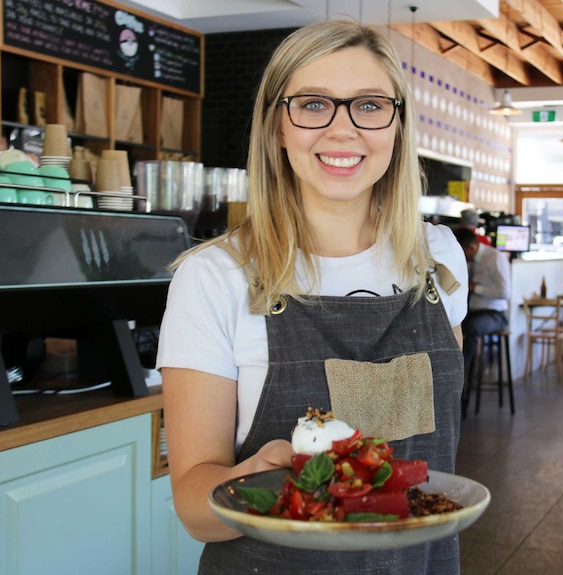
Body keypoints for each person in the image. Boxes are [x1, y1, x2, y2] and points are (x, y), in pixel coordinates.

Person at [155, 20, 469, 575]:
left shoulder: (438, 259)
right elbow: (192, 509)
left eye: (369, 105)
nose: (343, 130)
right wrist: (259, 478)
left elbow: (437, 452)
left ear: (397, 124)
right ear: (278, 124)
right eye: (313, 104)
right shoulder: (215, 277)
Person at [453, 227, 511, 376]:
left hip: (495, 314)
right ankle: (455, 371)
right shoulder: (470, 262)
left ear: (471, 248)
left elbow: (504, 293)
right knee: (452, 324)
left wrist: (476, 288)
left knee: (471, 328)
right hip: (474, 311)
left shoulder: (495, 258)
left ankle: (462, 373)